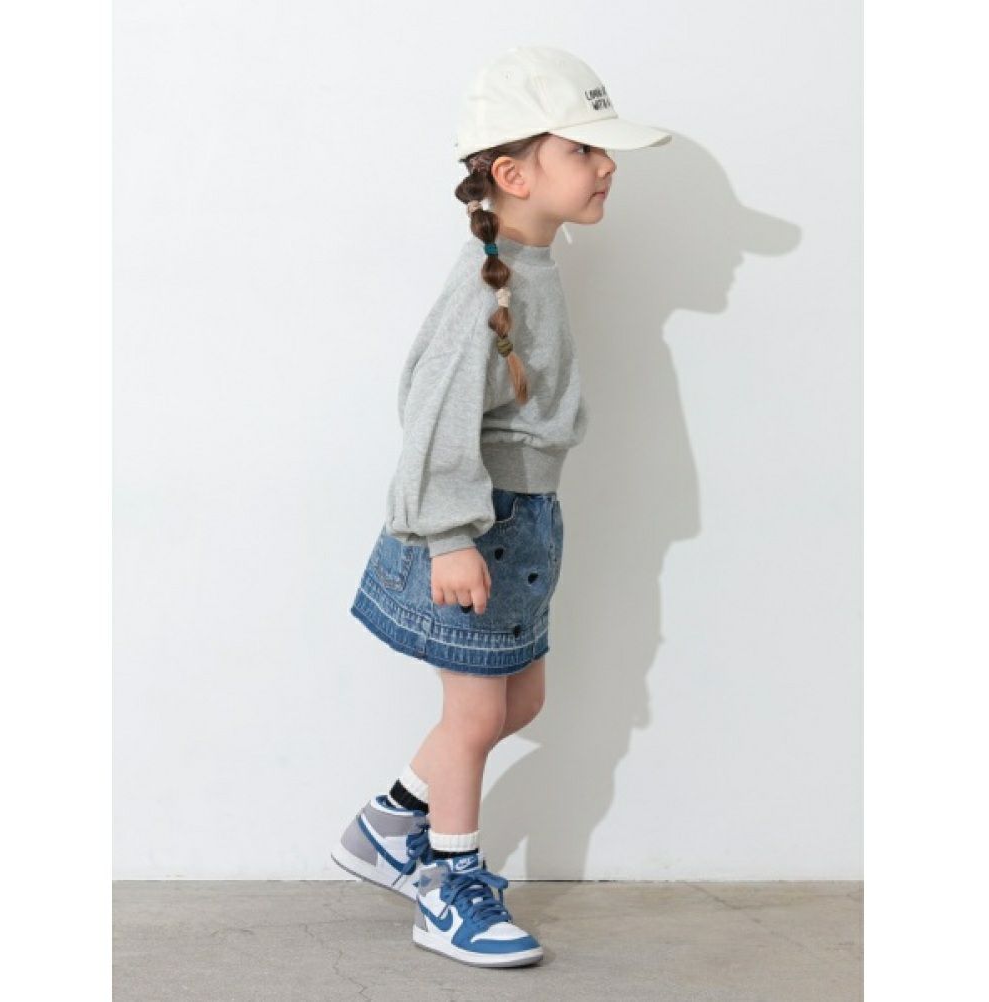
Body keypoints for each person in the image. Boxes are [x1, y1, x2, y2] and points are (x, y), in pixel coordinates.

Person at [331, 45, 672, 968]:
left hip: (524, 525)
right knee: (477, 716)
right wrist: (449, 536)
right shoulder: (488, 287)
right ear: (515, 175)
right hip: (478, 529)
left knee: (522, 699)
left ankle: (390, 821)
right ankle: (447, 885)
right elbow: (432, 414)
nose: (607, 166)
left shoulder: (531, 266)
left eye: (604, 150)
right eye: (584, 149)